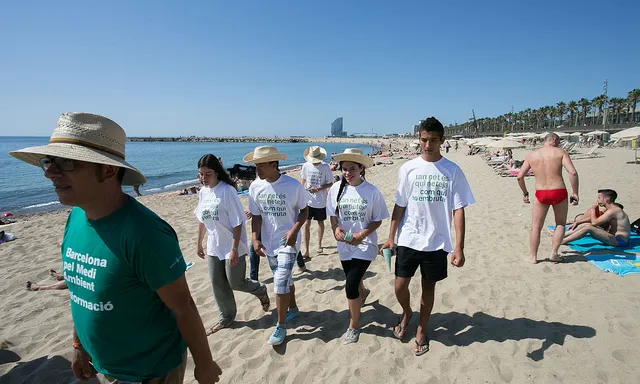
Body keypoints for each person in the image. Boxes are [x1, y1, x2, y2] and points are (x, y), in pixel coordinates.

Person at [9, 113, 221, 383]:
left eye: (66, 163)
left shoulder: (145, 233)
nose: (50, 172)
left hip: (150, 372)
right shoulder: (76, 218)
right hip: (104, 367)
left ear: (108, 170)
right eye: (49, 162)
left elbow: (184, 307)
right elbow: (80, 292)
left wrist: (204, 365)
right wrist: (79, 346)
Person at [381, 117, 475, 356]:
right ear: (419, 139)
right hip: (409, 237)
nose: (428, 144)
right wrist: (391, 236)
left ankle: (422, 328)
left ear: (442, 140)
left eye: (433, 140)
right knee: (400, 285)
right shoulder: (408, 168)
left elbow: (459, 209)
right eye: (424, 139)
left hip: (437, 241)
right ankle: (406, 312)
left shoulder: (452, 170)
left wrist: (459, 247)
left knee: (428, 288)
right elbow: (399, 205)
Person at [194, 154, 270, 335]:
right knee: (217, 284)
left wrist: (234, 249)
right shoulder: (203, 192)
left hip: (232, 245)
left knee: (235, 282)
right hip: (214, 246)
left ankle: (260, 290)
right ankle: (226, 317)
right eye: (201, 174)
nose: (204, 178)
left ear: (217, 173)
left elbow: (238, 222)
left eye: (208, 174)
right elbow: (202, 220)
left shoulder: (227, 191)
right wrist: (199, 243)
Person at [245, 146, 310, 346]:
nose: (258, 169)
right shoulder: (255, 187)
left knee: (280, 280)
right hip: (269, 242)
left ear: (274, 164)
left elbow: (304, 211)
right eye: (256, 166)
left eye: (261, 165)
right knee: (286, 278)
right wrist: (255, 238)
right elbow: (256, 216)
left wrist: (294, 231)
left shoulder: (292, 185)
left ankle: (280, 325)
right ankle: (294, 309)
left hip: (288, 241)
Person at [327, 149, 389, 344]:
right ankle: (364, 293)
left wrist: (361, 235)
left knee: (350, 284)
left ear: (361, 168)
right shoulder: (336, 189)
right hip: (344, 245)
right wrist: (335, 229)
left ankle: (353, 326)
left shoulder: (372, 192)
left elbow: (378, 220)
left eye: (352, 168)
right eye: (344, 169)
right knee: (352, 277)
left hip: (365, 243)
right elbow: (333, 215)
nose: (347, 173)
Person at [517, 133, 579, 264]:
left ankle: (533, 257)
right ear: (554, 140)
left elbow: (519, 176)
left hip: (541, 193)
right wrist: (575, 192)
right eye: (559, 141)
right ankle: (554, 254)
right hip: (559, 191)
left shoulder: (532, 155)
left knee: (536, 227)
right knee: (560, 224)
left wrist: (525, 193)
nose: (559, 144)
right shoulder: (560, 152)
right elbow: (572, 172)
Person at [561, 190, 632, 248]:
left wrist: (593, 210)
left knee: (588, 227)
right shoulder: (611, 209)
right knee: (586, 224)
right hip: (612, 236)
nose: (597, 200)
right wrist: (578, 222)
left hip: (619, 241)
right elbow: (596, 219)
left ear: (606, 199)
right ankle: (561, 235)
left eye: (599, 198)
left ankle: (564, 241)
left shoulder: (613, 211)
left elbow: (594, 223)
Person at [300, 146, 334, 260]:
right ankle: (306, 250)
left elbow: (330, 183)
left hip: (321, 201)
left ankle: (319, 244)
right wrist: (300, 192)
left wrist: (319, 188)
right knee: (306, 224)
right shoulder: (306, 166)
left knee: (320, 223)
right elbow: (303, 180)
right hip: (307, 200)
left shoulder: (325, 167)